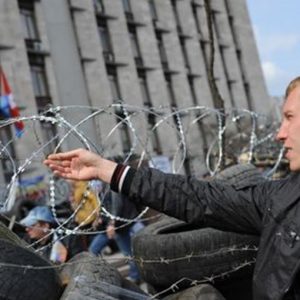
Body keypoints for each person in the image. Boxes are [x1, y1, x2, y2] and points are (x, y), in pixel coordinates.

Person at [44, 76, 300, 300]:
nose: (280, 132)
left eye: (289, 117)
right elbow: (200, 198)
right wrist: (108, 170)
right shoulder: (282, 198)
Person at [88, 188, 144, 283]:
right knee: (93, 250)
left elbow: (116, 205)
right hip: (108, 227)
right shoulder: (100, 191)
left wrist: (112, 224)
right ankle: (100, 277)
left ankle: (135, 277)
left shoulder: (109, 186)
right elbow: (106, 207)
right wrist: (100, 219)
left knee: (129, 253)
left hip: (118, 227)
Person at [21, 205, 87, 263]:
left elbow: (81, 263)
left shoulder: (68, 239)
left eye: (31, 225)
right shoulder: (28, 242)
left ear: (45, 226)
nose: (27, 229)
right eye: (26, 226)